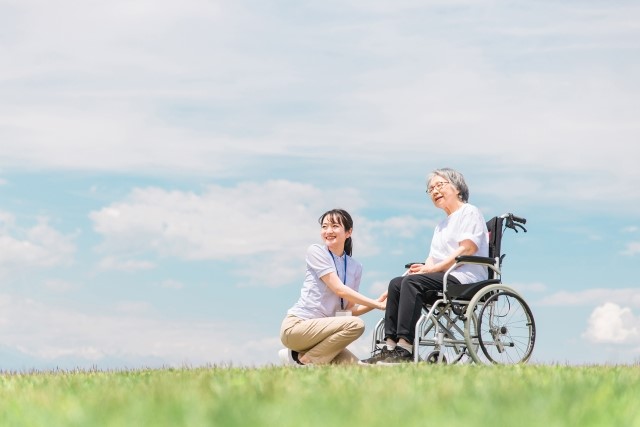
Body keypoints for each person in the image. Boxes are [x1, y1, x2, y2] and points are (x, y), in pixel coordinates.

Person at [360, 168, 489, 365]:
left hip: (466, 277)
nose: (435, 191)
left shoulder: (469, 212)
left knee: (412, 283)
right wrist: (413, 275)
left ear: (457, 188)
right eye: (431, 189)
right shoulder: (441, 226)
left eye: (440, 185)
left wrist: (431, 270)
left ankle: (405, 347)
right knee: (397, 283)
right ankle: (390, 347)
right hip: (444, 276)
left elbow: (468, 249)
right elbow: (432, 260)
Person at [279, 208, 387, 366]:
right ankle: (306, 361)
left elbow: (347, 312)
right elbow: (339, 289)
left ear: (348, 232)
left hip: (324, 335)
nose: (328, 231)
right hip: (297, 327)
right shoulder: (316, 252)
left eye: (335, 226)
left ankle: (298, 357)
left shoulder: (355, 267)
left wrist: (378, 301)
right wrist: (376, 304)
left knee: (358, 369)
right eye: (324, 226)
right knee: (356, 326)